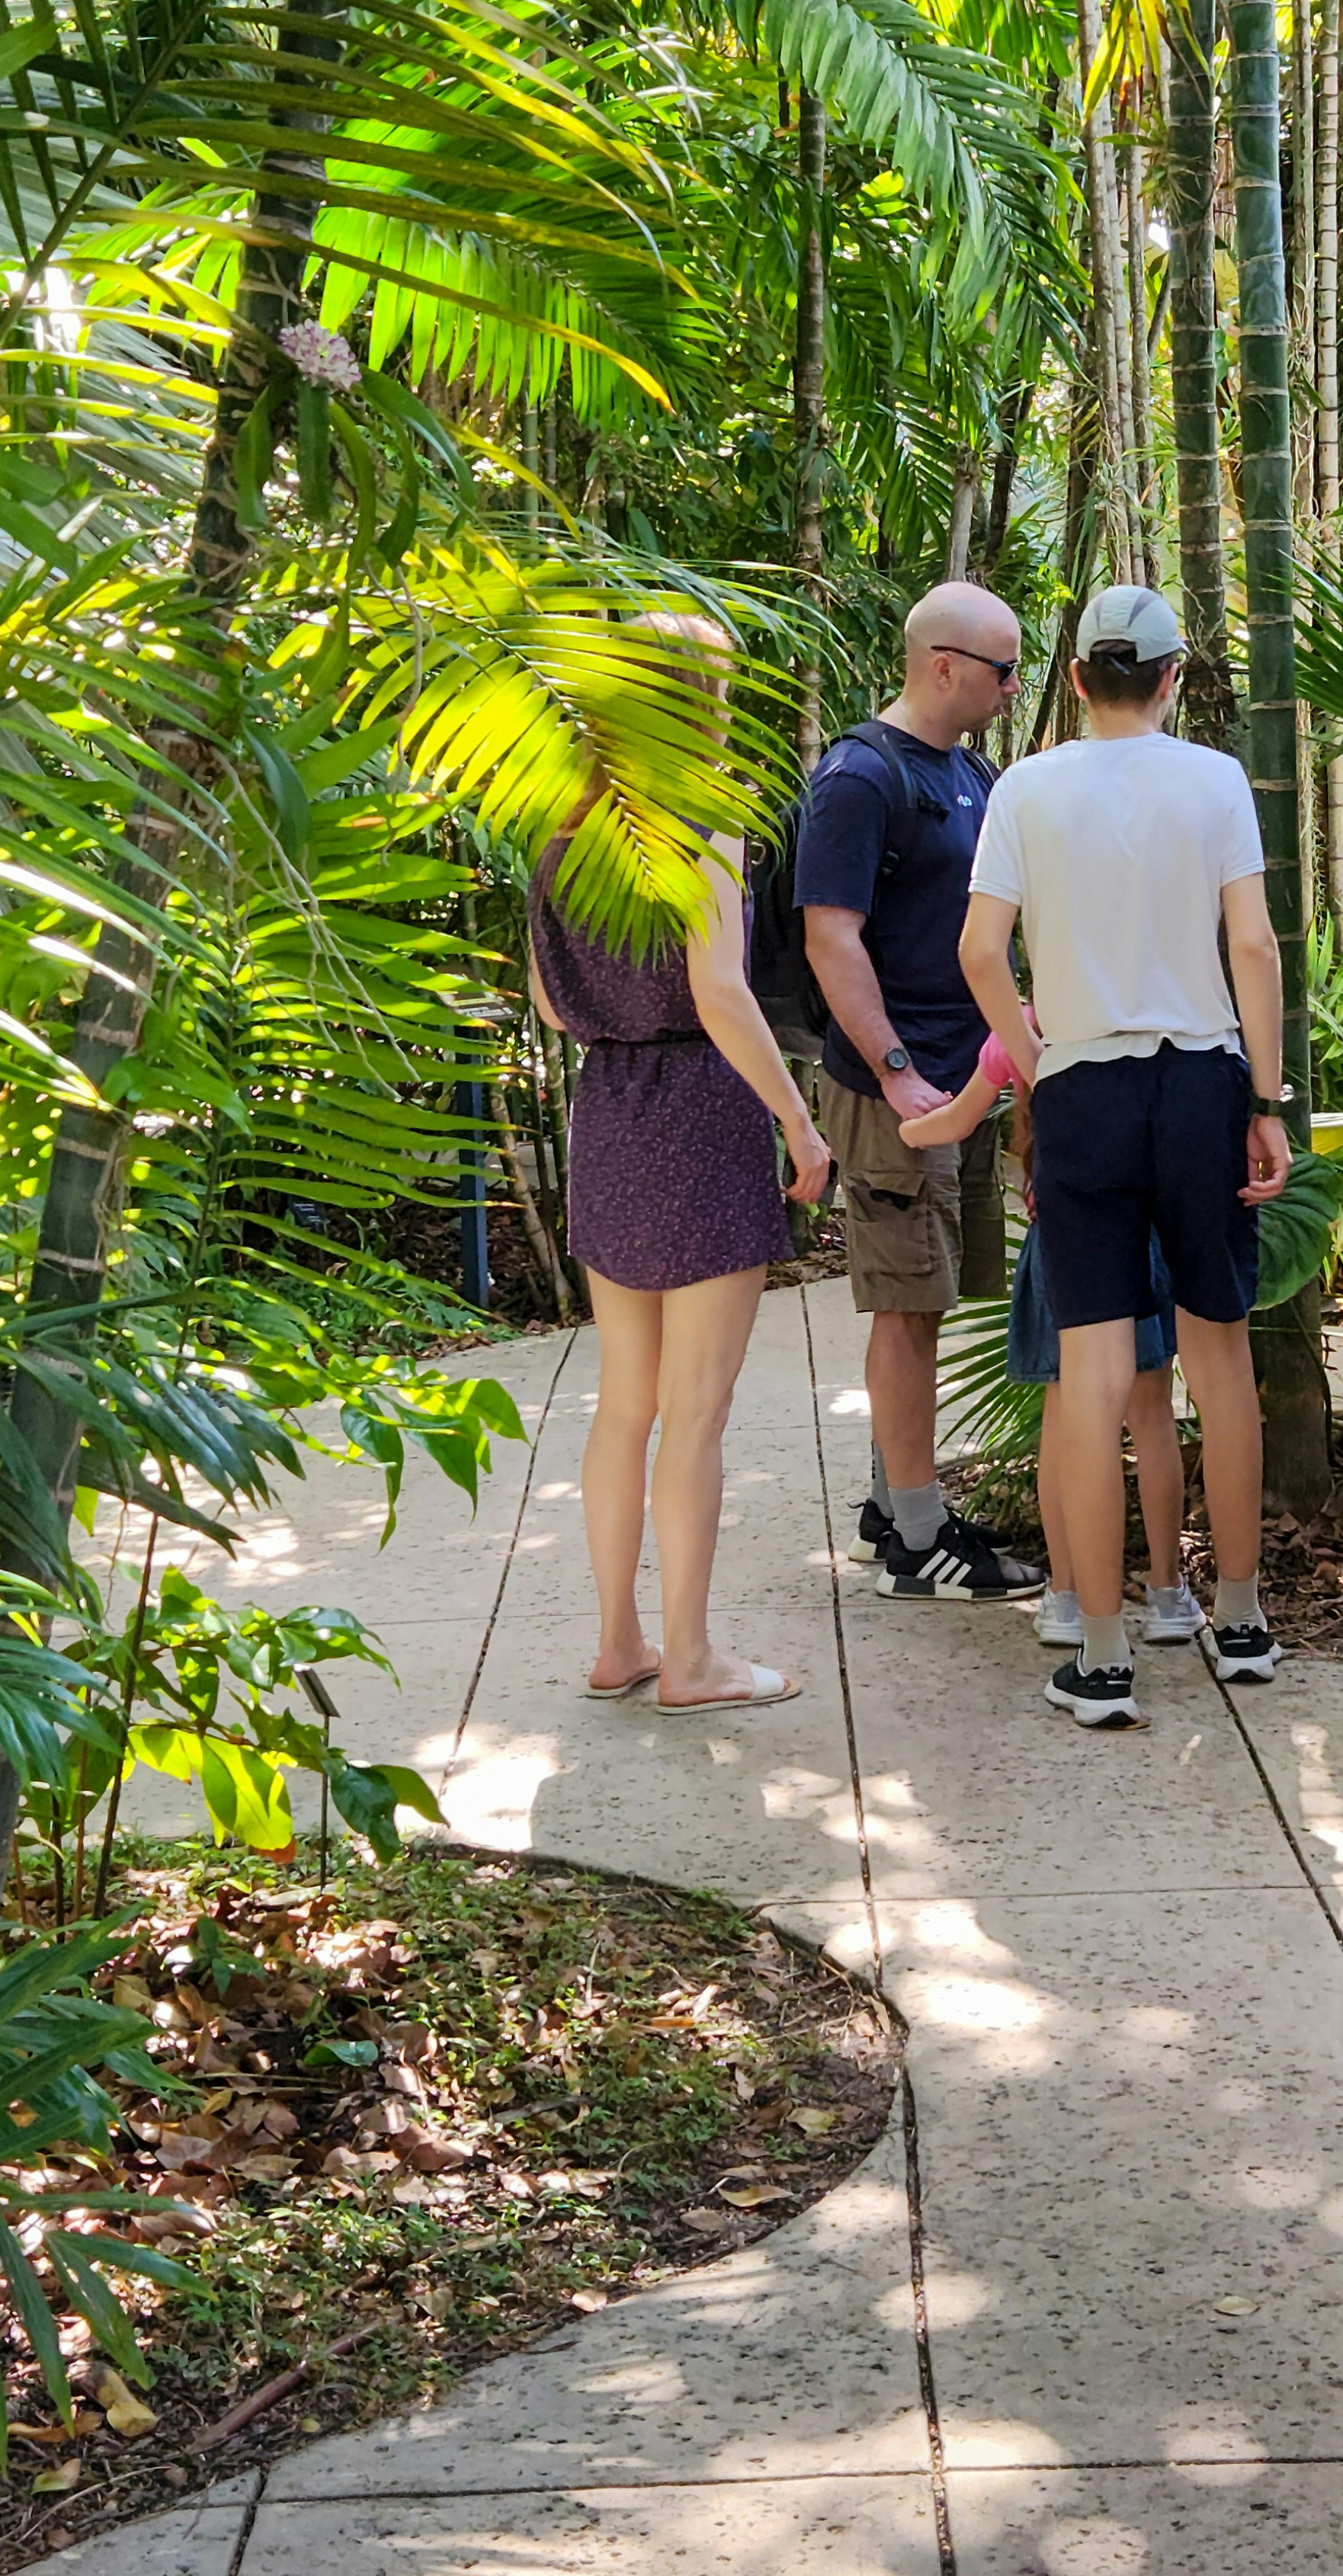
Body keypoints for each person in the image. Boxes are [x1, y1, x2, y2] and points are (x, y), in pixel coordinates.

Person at [957, 580, 1292, 1734]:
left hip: (1084, 1086)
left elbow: (978, 950)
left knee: (1092, 1381)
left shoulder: (1026, 786)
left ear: (1075, 678)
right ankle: (1238, 1622)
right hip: (1201, 1080)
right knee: (1221, 1356)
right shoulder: (1215, 778)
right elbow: (1250, 941)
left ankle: (1100, 1660)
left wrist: (1032, 1047)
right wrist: (1267, 1095)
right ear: (1170, 676)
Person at [528, 623, 835, 1713]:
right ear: (700, 697)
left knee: (626, 1401)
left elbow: (552, 1004)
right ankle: (693, 1660)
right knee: (696, 1410)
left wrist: (623, 1017)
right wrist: (798, 1121)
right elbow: (721, 989)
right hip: (702, 1109)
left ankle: (619, 1641)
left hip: (610, 1105)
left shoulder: (560, 826)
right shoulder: (699, 821)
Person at [796, 577, 1040, 1598]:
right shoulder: (859, 776)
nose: (1013, 686)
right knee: (904, 1308)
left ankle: (893, 1504)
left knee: (927, 1302)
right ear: (944, 665)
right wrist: (898, 1071)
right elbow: (830, 935)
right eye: (1002, 669)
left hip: (968, 1079)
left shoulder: (971, 770)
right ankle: (917, 1546)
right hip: (901, 1086)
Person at [902, 1033, 1202, 1649]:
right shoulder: (1138, 1008)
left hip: (1062, 1241)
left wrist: (903, 1131)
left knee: (1065, 1422)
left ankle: (1067, 1595)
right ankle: (1168, 1592)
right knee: (1151, 1416)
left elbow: (956, 1122)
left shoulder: (1025, 1023)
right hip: (1141, 1234)